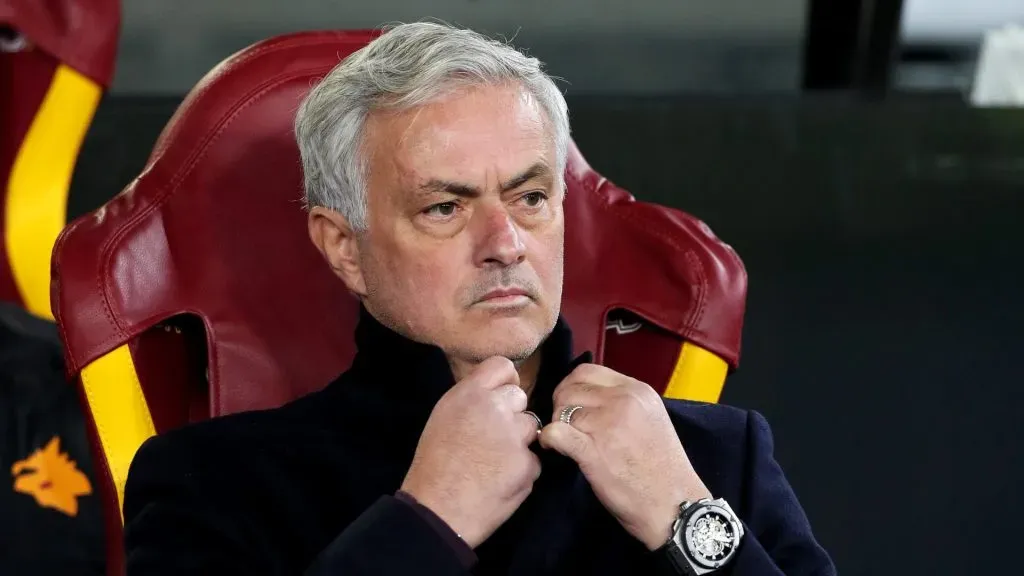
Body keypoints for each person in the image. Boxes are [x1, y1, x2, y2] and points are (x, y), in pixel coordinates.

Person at [122, 22, 835, 575]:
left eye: (530, 198)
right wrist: (425, 521)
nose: (505, 243)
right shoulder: (212, 483)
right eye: (445, 208)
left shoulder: (714, 455)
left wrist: (683, 517)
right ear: (345, 248)